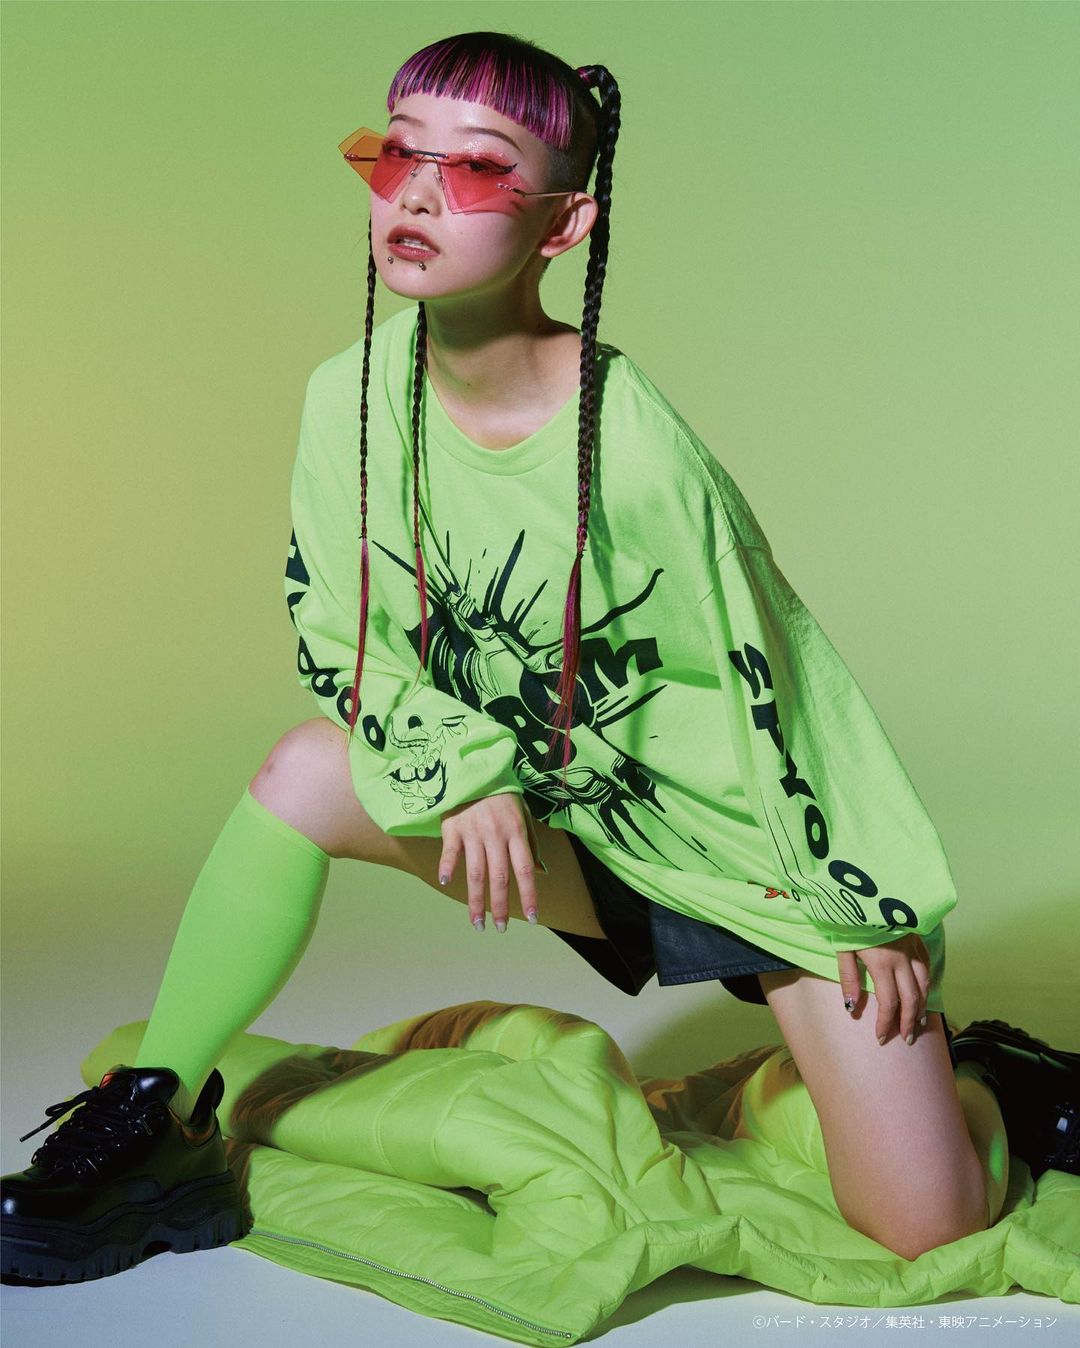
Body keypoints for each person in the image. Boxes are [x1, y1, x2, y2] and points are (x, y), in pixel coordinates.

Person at [3, 29, 1077, 1287]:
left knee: (928, 1226)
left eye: (474, 170)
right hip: (552, 822)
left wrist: (867, 907)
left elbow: (782, 682)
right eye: (398, 156)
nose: (416, 195)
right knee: (302, 771)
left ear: (563, 224)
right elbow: (338, 634)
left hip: (741, 847)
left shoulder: (632, 441)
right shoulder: (346, 396)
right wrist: (464, 768)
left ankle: (989, 1078)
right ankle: (153, 1116)